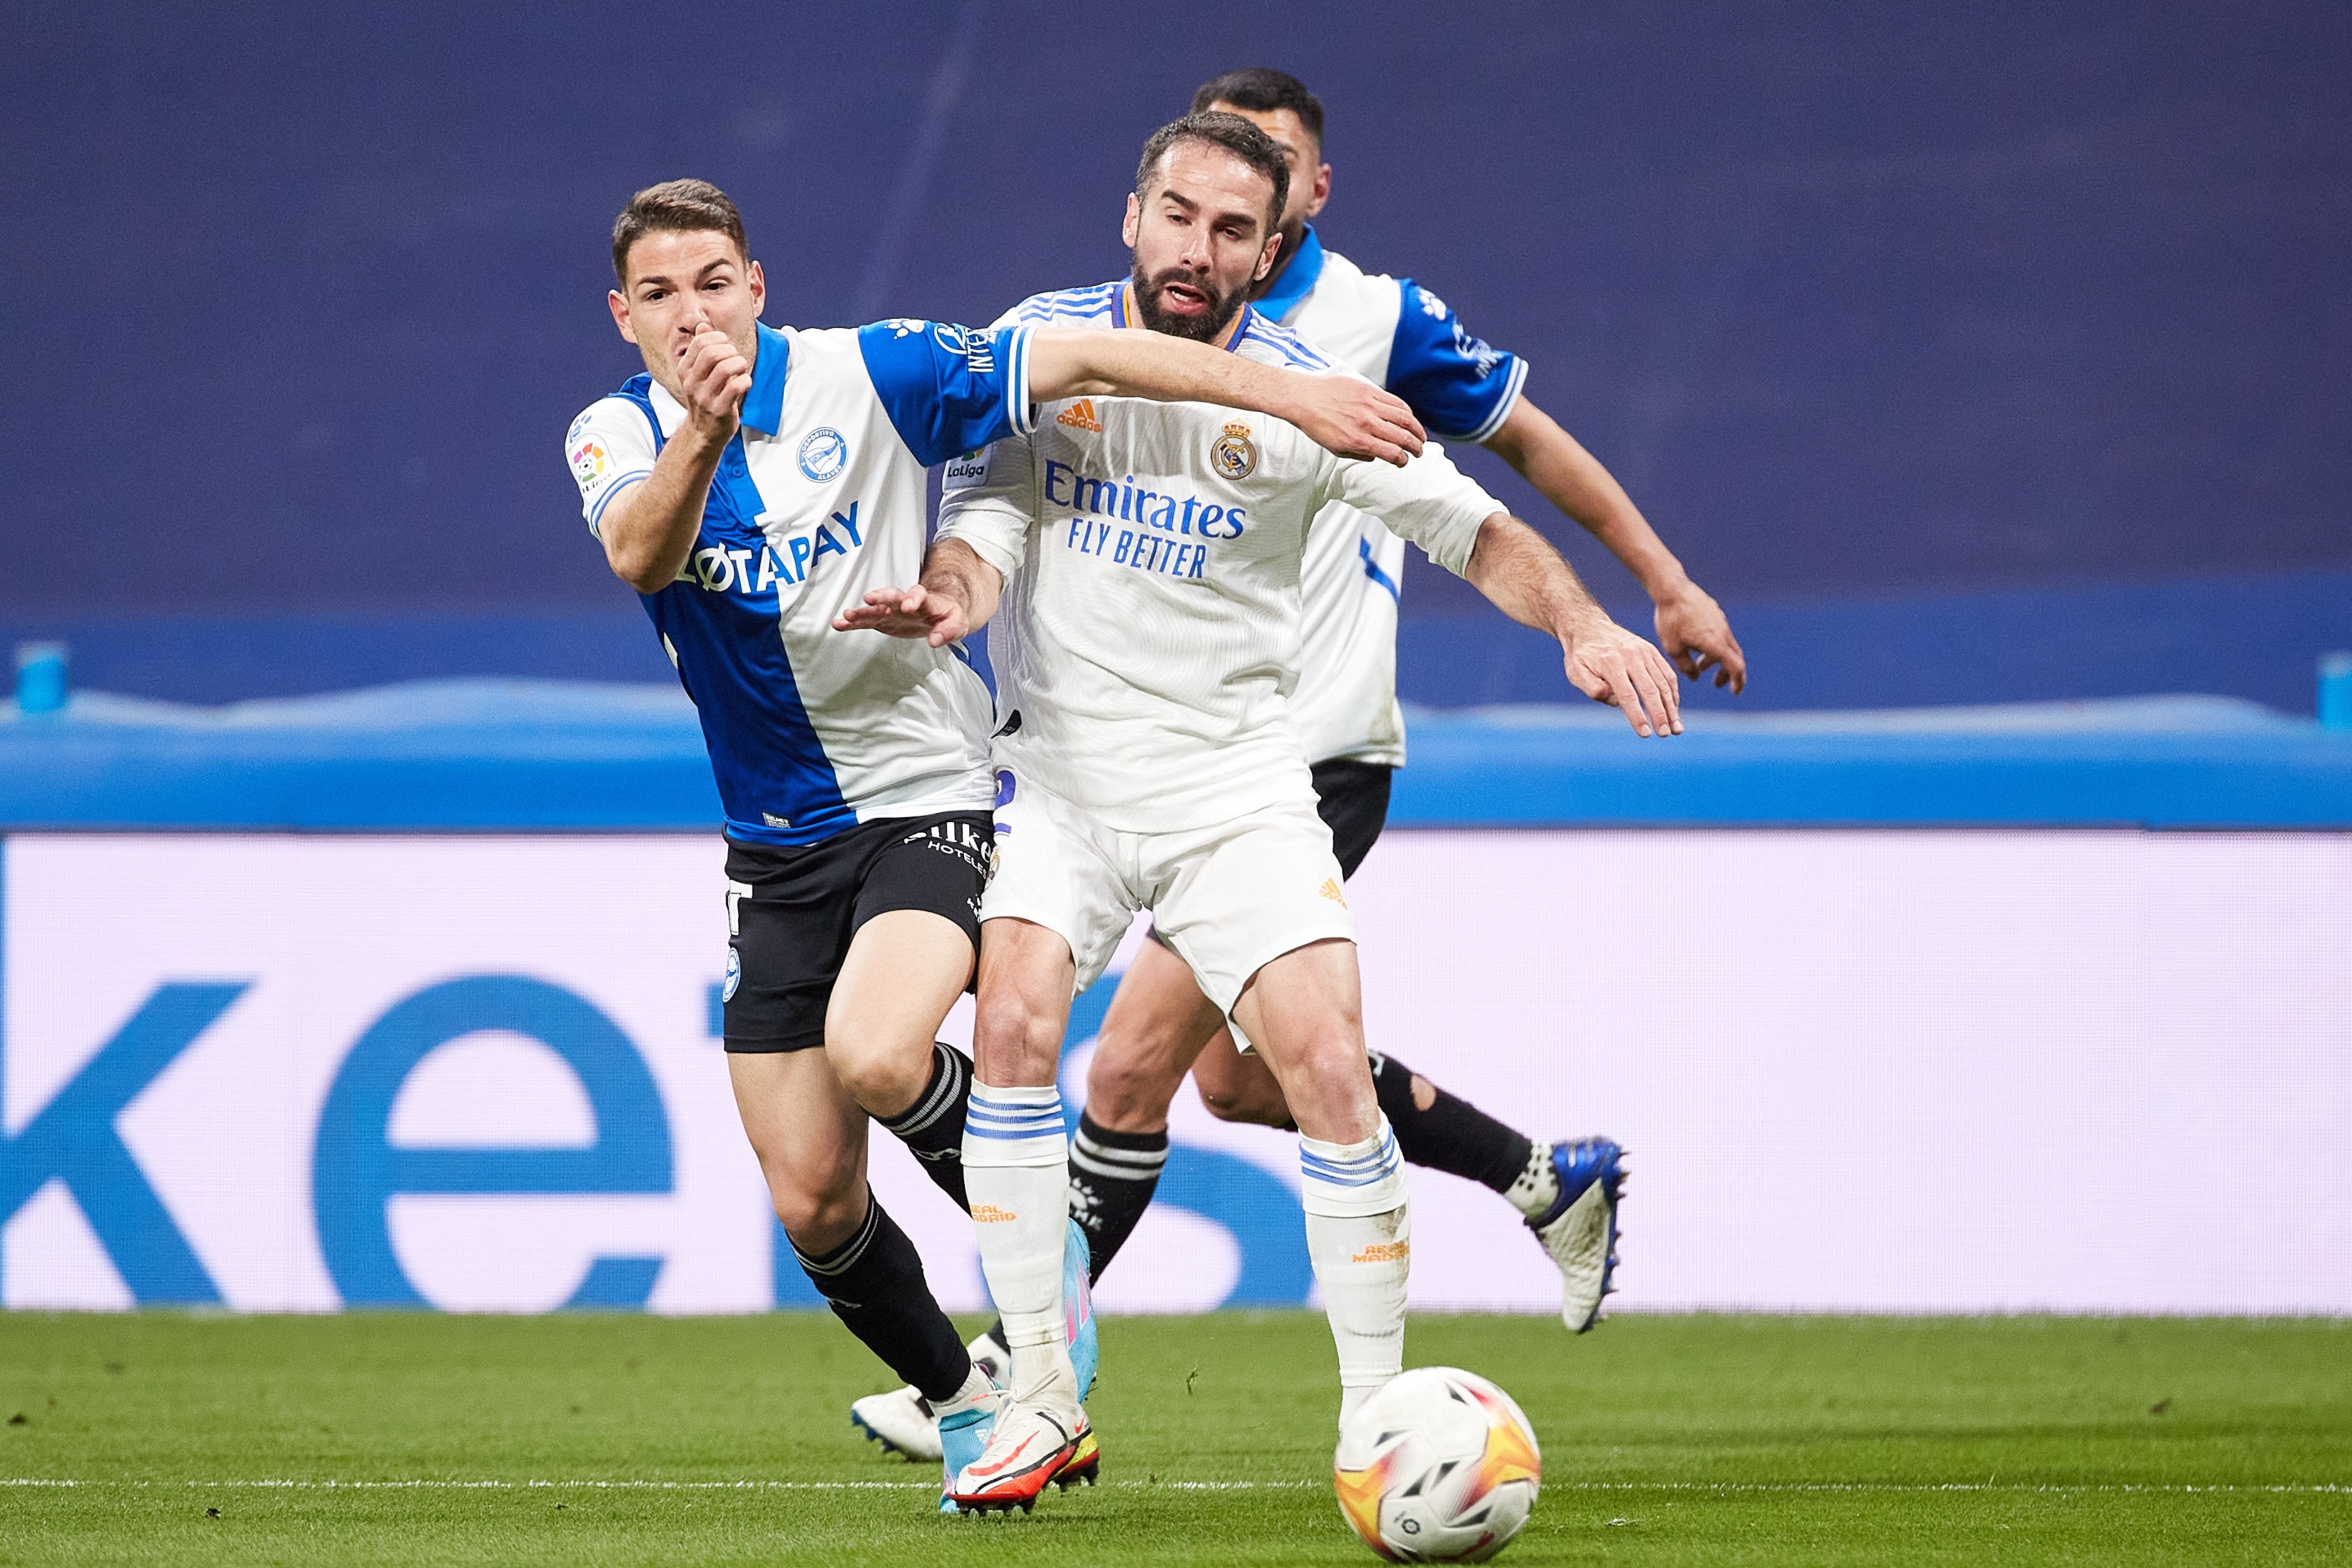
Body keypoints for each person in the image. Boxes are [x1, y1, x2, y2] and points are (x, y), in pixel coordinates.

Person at [847, 68, 1747, 1470]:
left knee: (1318, 1061)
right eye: (1174, 215)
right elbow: (991, 506)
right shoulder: (1044, 341)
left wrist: (1581, 616)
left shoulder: (1314, 396)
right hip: (1062, 783)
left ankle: (1374, 1419)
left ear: (1269, 251)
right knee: (1020, 1030)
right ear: (1130, 215)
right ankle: (1034, 1391)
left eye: (1228, 229)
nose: (1194, 249)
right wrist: (955, 589)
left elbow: (1477, 525)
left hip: (1235, 787)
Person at [563, 178, 1428, 1511]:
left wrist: (1292, 396)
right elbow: (639, 550)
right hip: (770, 847)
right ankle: (974, 1406)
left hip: (928, 795)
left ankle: (1054, 1268)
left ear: (758, 285)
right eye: (663, 297)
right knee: (810, 1202)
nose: (696, 315)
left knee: (878, 1049)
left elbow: (1080, 350)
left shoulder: (874, 371)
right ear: (626, 319)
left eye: (716, 282)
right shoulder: (611, 436)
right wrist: (701, 429)